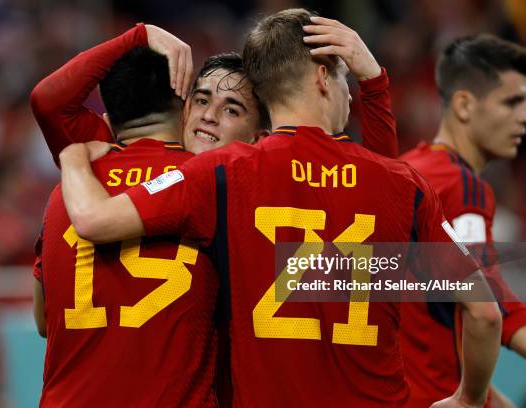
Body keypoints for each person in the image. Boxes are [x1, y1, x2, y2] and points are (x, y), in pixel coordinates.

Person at [57, 9, 501, 407]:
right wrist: (467, 399)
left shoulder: (220, 174)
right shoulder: (404, 184)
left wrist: (74, 158)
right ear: (324, 78)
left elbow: (95, 219)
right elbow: (483, 313)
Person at [31, 26, 220, 407]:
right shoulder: (209, 182)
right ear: (185, 103)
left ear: (107, 110)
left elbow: (43, 321)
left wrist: (137, 36)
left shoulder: (73, 183)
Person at [400, 34, 526, 407]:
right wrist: (471, 398)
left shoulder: (407, 170)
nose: (524, 116)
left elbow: (432, 307)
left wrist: (486, 393)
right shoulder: (461, 187)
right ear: (465, 105)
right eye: (512, 101)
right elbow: (488, 310)